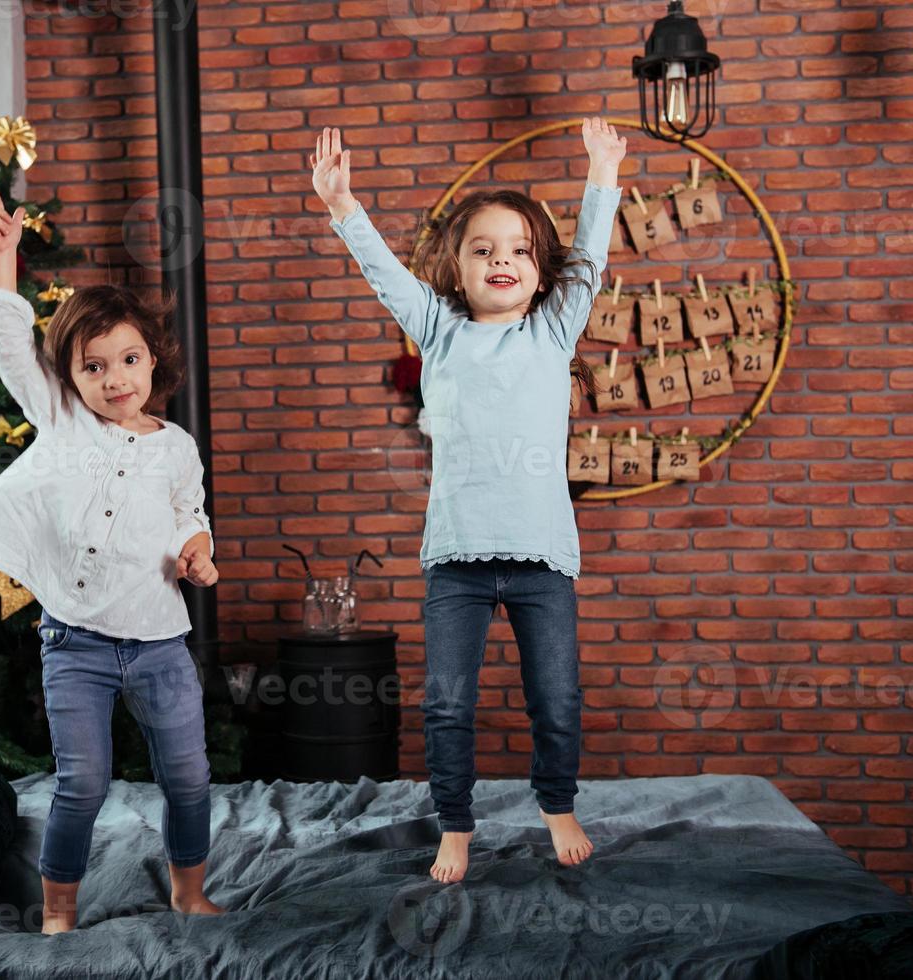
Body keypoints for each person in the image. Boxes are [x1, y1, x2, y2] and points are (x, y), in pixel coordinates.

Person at [310, 118, 628, 880]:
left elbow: (589, 254)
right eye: (483, 249)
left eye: (518, 249)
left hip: (541, 559)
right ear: (455, 266)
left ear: (540, 270)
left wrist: (600, 175)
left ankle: (556, 805)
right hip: (455, 559)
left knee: (555, 701)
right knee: (446, 706)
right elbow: (385, 273)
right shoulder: (438, 328)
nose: (502, 260)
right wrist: (341, 204)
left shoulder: (553, 330)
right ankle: (455, 822)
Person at [0, 183, 223, 932]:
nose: (114, 379)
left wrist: (198, 551)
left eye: (128, 360)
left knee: (189, 778)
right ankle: (58, 910)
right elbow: (8, 340)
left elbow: (187, 515)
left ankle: (188, 890)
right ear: (68, 376)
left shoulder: (175, 447)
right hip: (76, 643)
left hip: (160, 643)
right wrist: (2, 257)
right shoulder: (61, 418)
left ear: (153, 360)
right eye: (93, 367)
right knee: (83, 784)